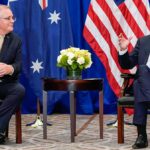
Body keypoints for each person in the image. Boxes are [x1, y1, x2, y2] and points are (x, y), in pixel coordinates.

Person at [118, 33, 150, 149]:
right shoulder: (143, 41)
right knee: (143, 72)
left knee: (142, 76)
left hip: (143, 86)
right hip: (145, 83)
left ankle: (141, 135)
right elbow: (127, 64)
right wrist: (123, 49)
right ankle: (141, 134)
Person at [0, 5, 25, 144]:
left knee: (19, 90)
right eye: (8, 18)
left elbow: (19, 65)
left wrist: (10, 68)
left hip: (5, 84)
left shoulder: (16, 40)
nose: (12, 21)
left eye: (12, 17)